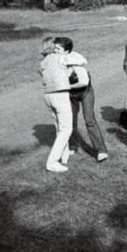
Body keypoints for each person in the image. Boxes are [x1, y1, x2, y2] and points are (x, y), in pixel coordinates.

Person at [54, 37, 108, 163]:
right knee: (70, 121)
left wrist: (67, 86)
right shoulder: (55, 60)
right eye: (54, 48)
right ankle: (73, 146)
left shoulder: (75, 61)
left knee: (89, 120)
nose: (55, 51)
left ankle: (101, 151)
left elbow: (83, 82)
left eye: (58, 49)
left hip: (85, 92)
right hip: (70, 94)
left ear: (66, 51)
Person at [39, 37, 75, 173]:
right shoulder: (59, 58)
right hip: (60, 94)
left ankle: (64, 157)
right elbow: (81, 60)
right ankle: (52, 162)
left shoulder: (43, 62)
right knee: (66, 130)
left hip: (48, 95)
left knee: (60, 127)